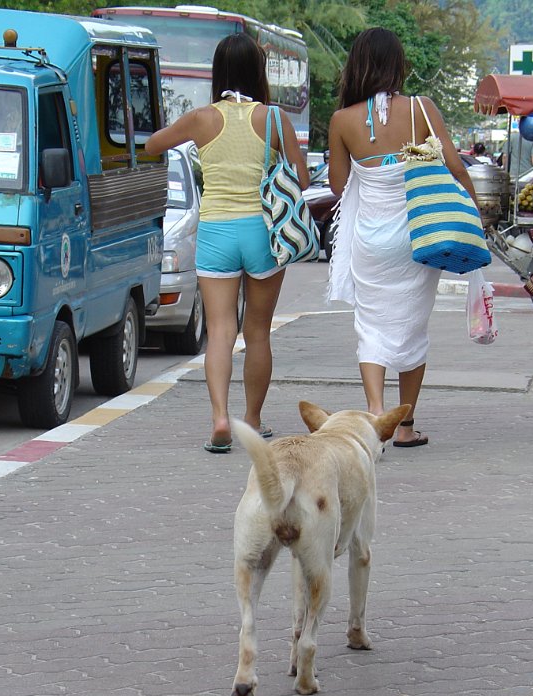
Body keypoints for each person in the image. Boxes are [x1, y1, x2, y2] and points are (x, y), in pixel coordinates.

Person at [144, 33, 309, 453]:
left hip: (216, 230)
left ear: (218, 72)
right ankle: (251, 421)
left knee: (219, 330)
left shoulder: (201, 118)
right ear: (259, 72)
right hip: (262, 232)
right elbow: (302, 180)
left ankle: (219, 418)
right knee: (257, 332)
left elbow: (152, 144)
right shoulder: (274, 119)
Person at [326, 27, 478, 448]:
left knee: (370, 327)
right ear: (398, 64)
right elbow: (456, 168)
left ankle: (376, 411)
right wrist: (474, 211)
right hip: (418, 236)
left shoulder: (342, 120)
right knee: (413, 328)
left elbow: (339, 187)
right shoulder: (421, 109)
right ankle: (406, 426)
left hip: (370, 241)